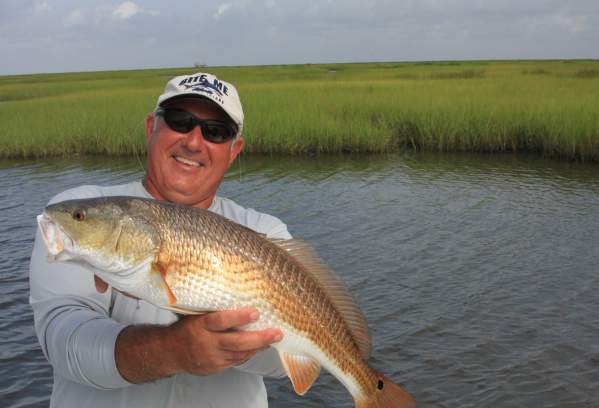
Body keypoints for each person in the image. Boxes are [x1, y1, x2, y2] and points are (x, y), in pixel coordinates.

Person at [29, 73, 289, 407]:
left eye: (215, 132)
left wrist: (226, 342)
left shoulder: (266, 233)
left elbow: (286, 364)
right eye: (180, 121)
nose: (193, 142)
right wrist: (172, 351)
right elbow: (63, 341)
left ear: (234, 150)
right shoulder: (82, 212)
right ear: (151, 127)